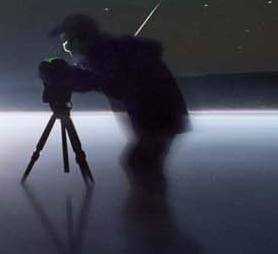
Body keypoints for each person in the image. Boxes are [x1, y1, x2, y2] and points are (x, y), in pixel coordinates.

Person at [47, 13, 188, 192]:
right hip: (162, 116)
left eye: (67, 43)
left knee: (139, 164)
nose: (68, 49)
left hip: (158, 117)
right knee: (141, 164)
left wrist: (64, 77)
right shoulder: (113, 51)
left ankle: (150, 210)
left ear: (83, 37)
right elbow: (101, 77)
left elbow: (108, 81)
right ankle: (151, 208)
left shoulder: (106, 54)